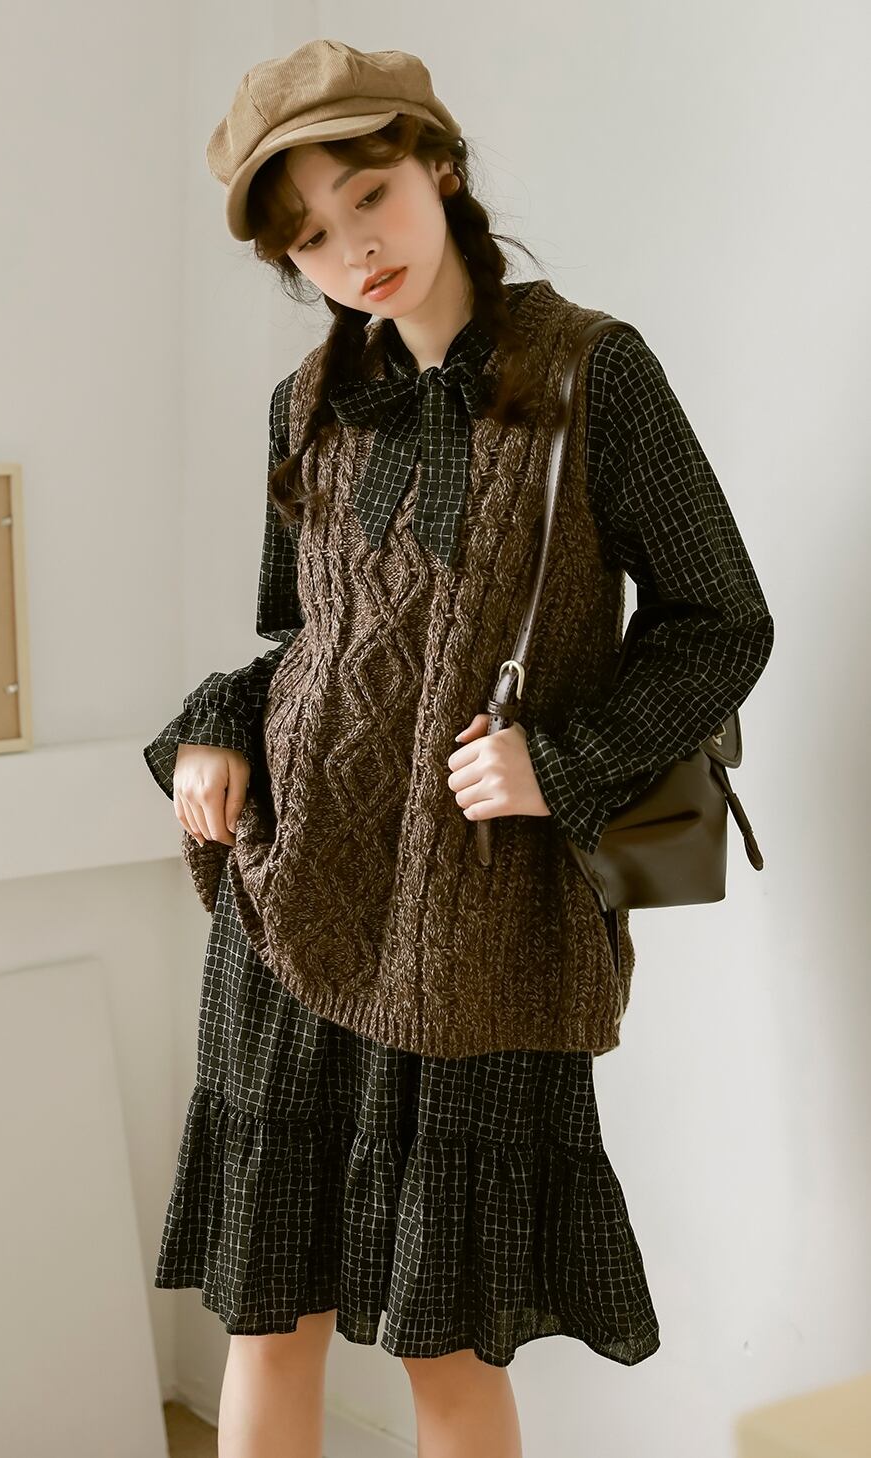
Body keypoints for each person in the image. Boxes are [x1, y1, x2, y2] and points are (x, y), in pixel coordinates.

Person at [143, 39, 774, 1458]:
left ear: (438, 163)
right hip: (291, 905)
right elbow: (307, 643)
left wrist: (565, 760)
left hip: (477, 932)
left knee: (447, 1345)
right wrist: (212, 730)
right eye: (310, 235)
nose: (352, 248)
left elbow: (720, 621)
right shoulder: (304, 404)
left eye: (368, 194)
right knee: (269, 1318)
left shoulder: (590, 372)